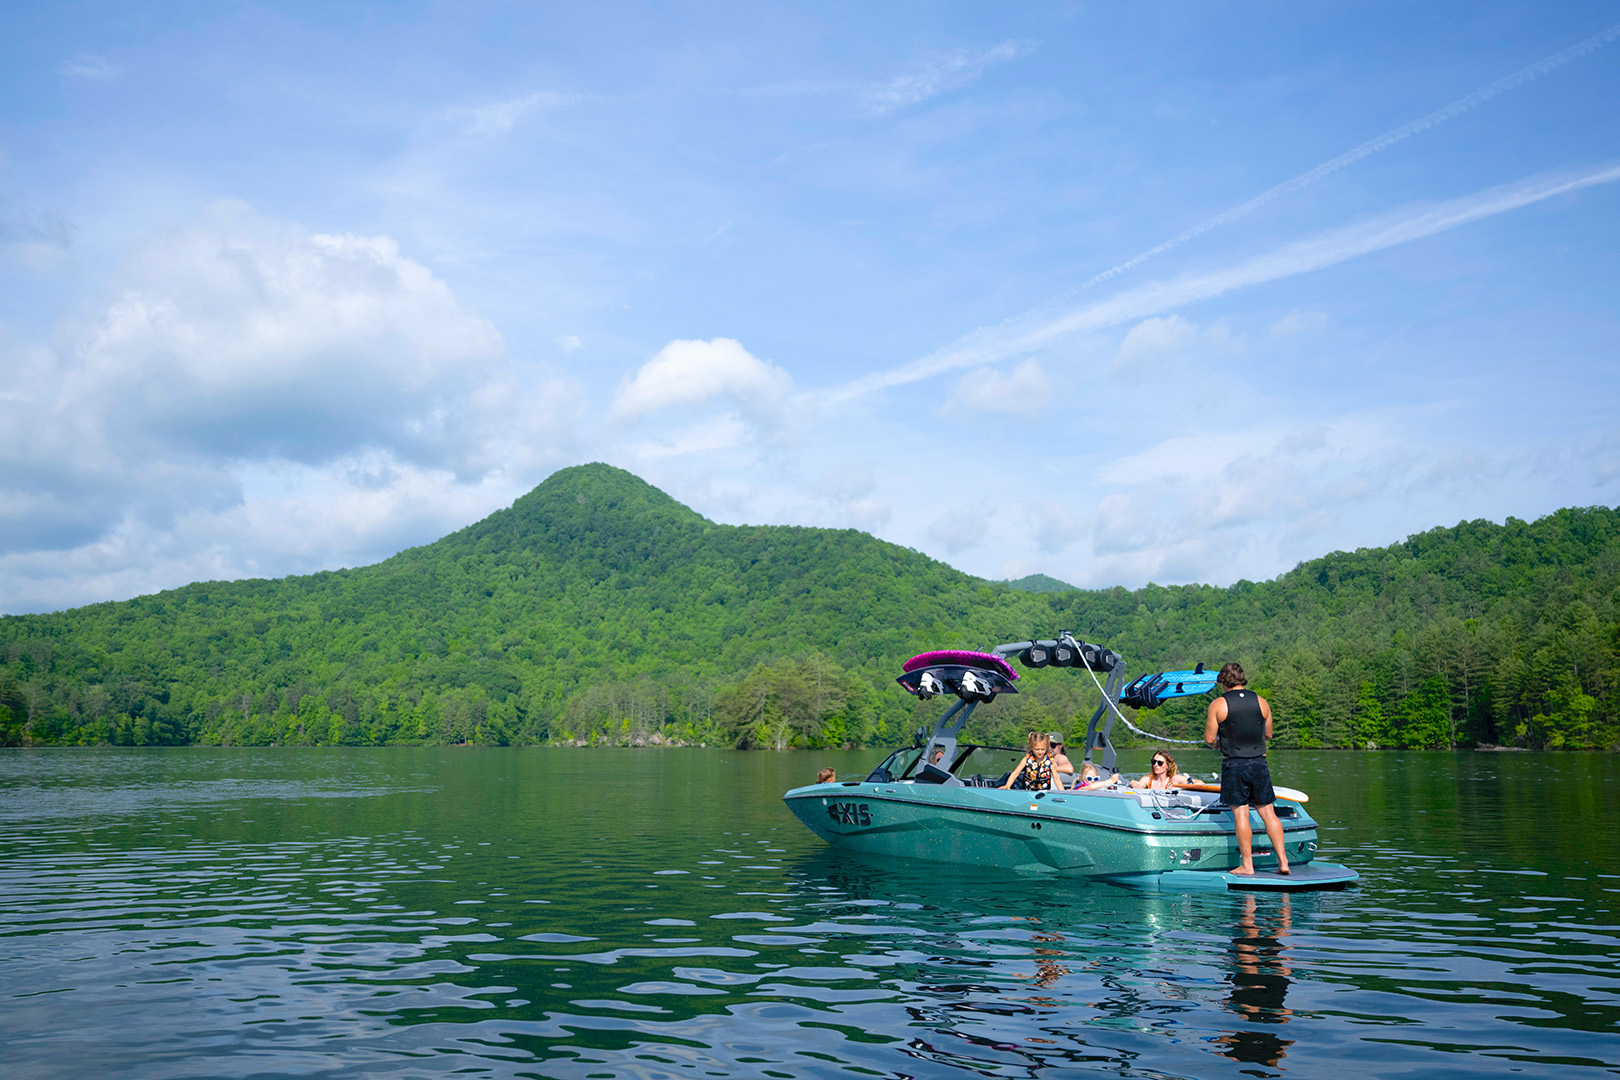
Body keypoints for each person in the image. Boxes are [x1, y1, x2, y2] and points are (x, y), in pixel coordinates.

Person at [1204, 661, 1290, 876]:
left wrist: (1216, 743)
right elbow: (1268, 734)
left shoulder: (1218, 704)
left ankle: (1247, 865)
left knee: (1241, 815)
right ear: (1242, 679)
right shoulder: (1262, 702)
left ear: (1223, 681)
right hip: (1259, 763)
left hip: (1235, 764)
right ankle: (1283, 863)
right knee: (1269, 814)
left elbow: (1209, 739)